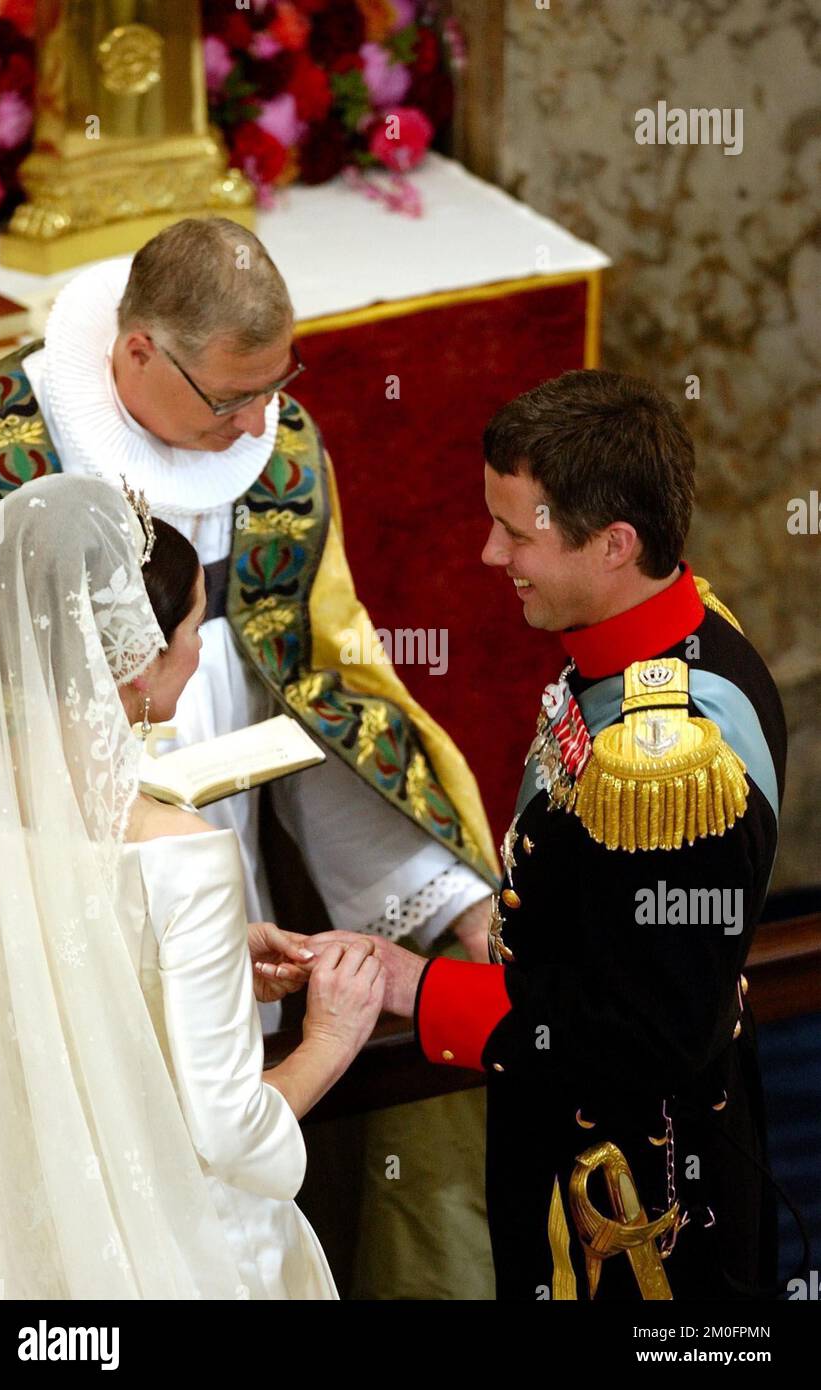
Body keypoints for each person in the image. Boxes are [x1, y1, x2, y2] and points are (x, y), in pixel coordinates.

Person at [0, 217, 498, 1298]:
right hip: (30, 889)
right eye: (230, 398)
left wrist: (436, 896)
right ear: (136, 355)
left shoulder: (279, 451)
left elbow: (319, 690)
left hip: (212, 863)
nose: (263, 419)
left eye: (279, 384)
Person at [316, 369, 787, 1301]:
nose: (491, 555)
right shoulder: (678, 630)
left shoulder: (662, 759)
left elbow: (649, 1036)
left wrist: (427, 991)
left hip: (633, 1200)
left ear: (614, 543)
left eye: (516, 531)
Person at [0, 471, 385, 1300]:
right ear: (134, 663)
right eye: (196, 626)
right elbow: (228, 1134)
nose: (200, 648)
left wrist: (208, 957)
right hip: (167, 1249)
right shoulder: (180, 854)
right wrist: (329, 1041)